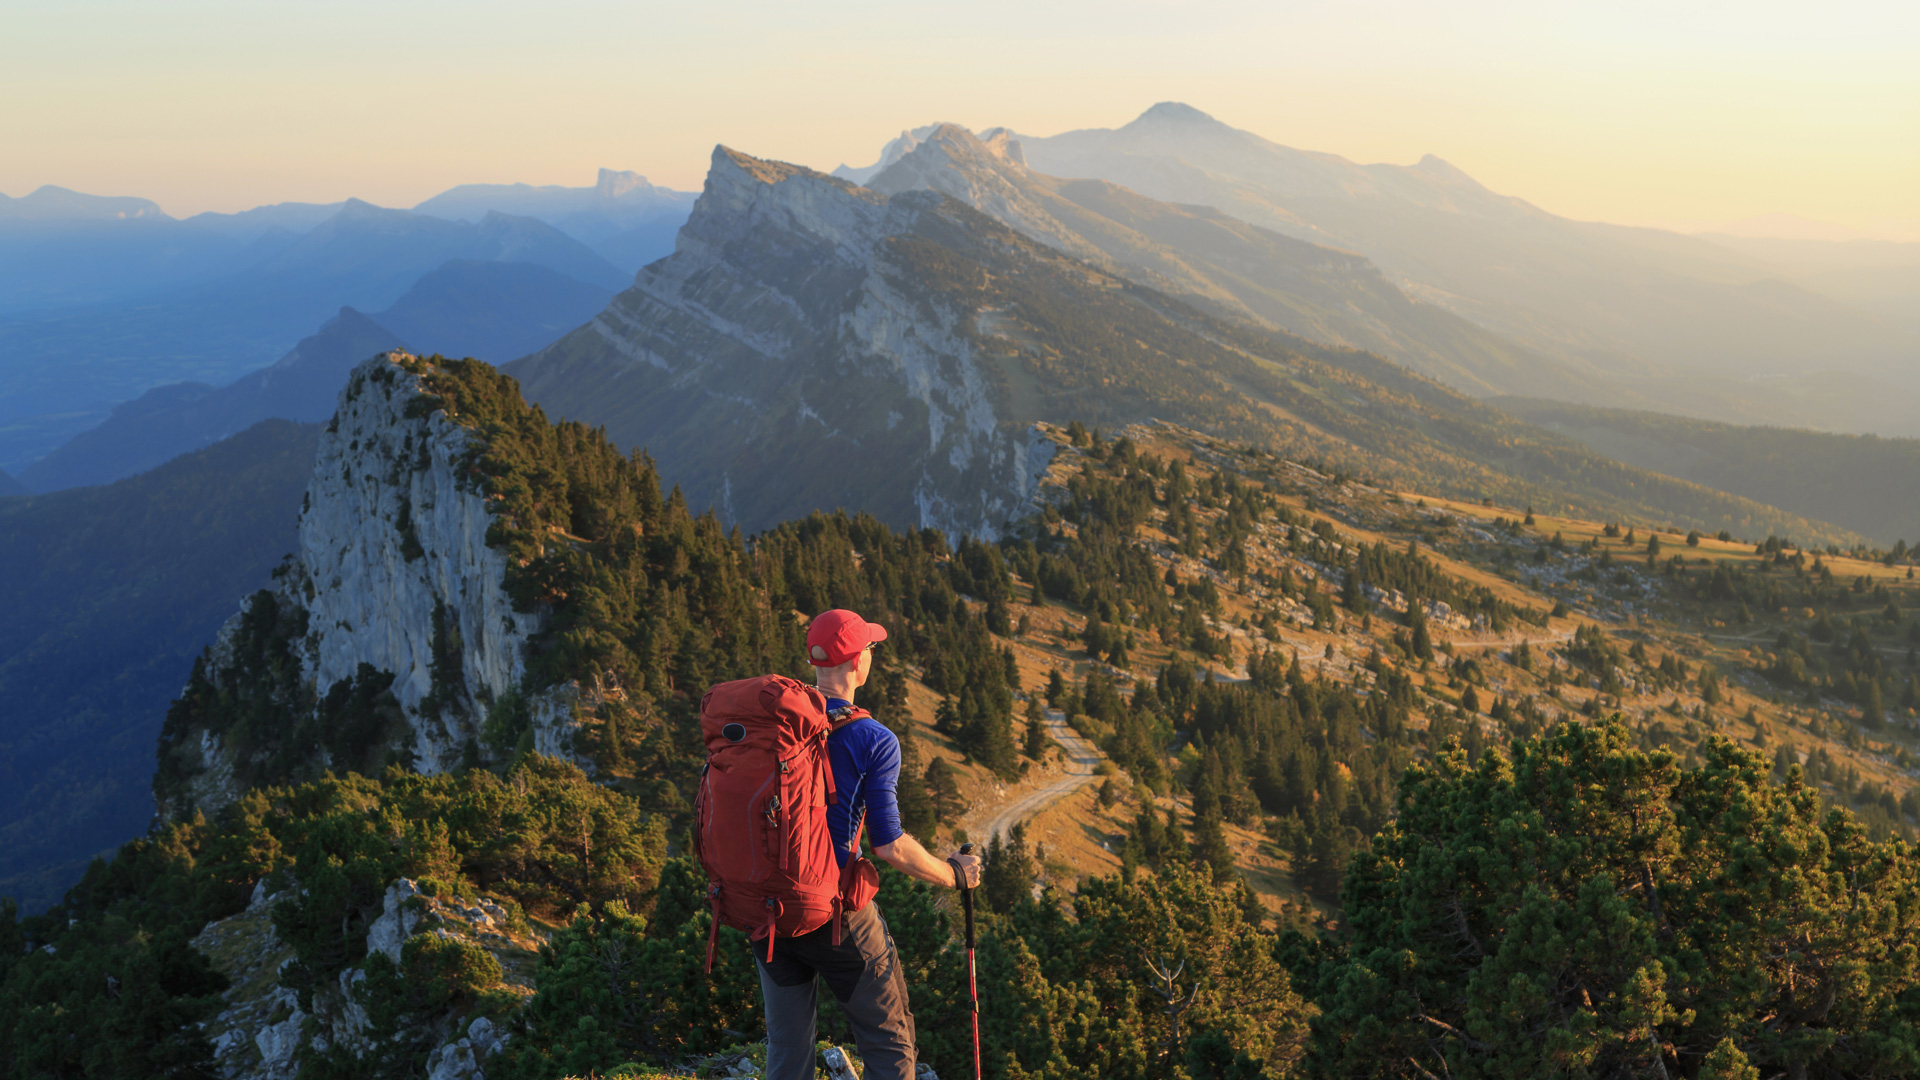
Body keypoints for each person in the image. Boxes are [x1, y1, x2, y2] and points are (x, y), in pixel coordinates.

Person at [757, 608, 982, 1080]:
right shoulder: (873, 738)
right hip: (833, 912)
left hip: (765, 908)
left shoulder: (771, 725)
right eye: (870, 649)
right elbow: (889, 845)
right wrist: (954, 874)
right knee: (890, 1043)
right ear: (859, 662)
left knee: (787, 1047)